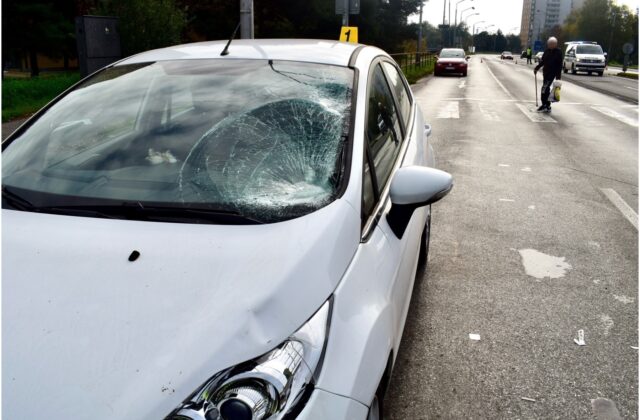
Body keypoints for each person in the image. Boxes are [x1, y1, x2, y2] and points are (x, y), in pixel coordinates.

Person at [534, 37, 563, 113]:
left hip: (552, 73)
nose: (550, 45)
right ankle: (547, 105)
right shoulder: (547, 51)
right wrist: (537, 68)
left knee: (544, 88)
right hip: (546, 72)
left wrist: (558, 77)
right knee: (546, 89)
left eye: (551, 44)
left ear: (555, 44)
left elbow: (559, 65)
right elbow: (543, 61)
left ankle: (545, 105)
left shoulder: (558, 52)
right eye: (549, 44)